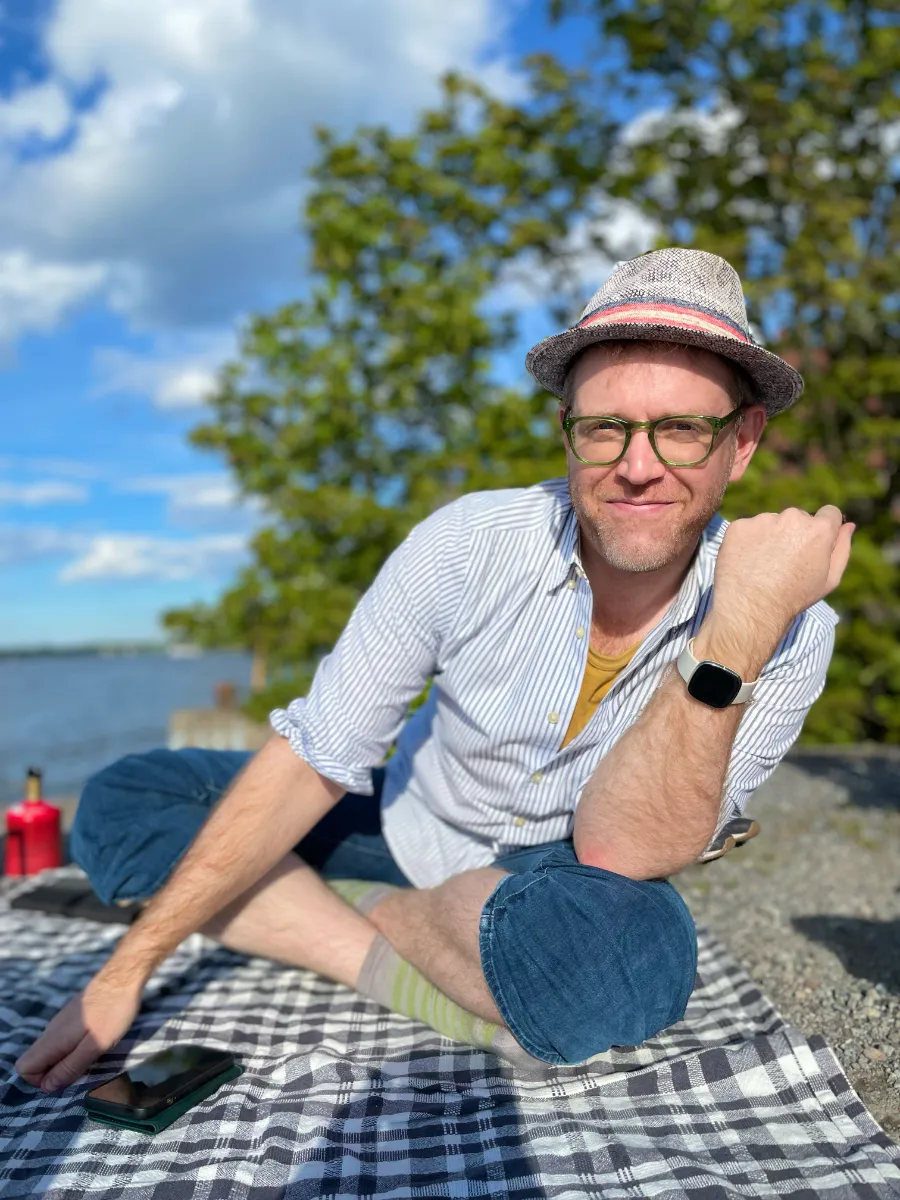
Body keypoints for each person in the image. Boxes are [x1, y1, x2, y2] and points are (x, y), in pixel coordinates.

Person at [16, 247, 854, 1090]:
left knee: (633, 967)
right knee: (123, 802)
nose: (638, 467)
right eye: (605, 428)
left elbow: (618, 848)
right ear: (566, 430)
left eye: (680, 429)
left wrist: (736, 632)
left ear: (741, 443)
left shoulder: (791, 626)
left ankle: (327, 906)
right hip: (405, 819)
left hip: (556, 872)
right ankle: (378, 942)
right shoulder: (468, 542)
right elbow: (319, 752)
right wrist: (121, 975)